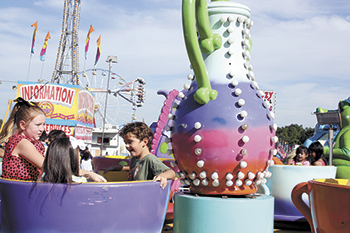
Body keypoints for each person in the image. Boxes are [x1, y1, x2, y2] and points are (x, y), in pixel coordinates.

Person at [0, 97, 105, 182]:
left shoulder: (32, 143)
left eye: (43, 124)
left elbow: (56, 163)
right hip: (20, 194)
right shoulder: (22, 143)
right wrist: (87, 173)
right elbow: (50, 167)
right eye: (38, 125)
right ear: (22, 125)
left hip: (24, 192)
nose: (42, 129)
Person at [106, 122, 175, 189]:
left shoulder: (150, 159)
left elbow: (171, 172)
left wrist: (163, 175)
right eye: (125, 142)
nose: (126, 146)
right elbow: (135, 168)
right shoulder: (135, 159)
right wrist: (116, 168)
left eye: (130, 142)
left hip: (143, 196)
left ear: (144, 142)